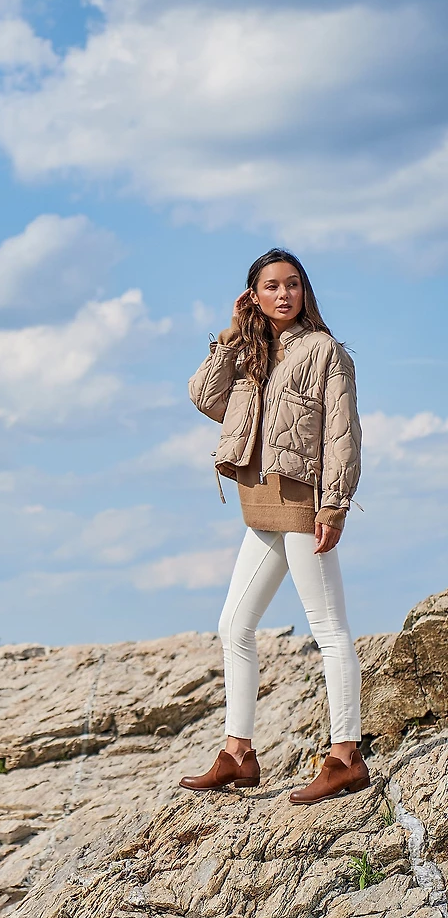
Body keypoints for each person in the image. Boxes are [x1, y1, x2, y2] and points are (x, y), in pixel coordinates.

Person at [180, 248, 369, 805]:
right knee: (233, 626)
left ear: (305, 292)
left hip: (303, 506)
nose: (283, 294)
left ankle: (345, 757)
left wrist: (333, 506)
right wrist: (232, 334)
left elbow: (343, 433)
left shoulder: (325, 352)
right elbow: (203, 398)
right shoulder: (250, 351)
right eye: (271, 286)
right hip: (259, 508)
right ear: (254, 296)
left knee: (328, 628)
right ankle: (238, 754)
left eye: (292, 285)